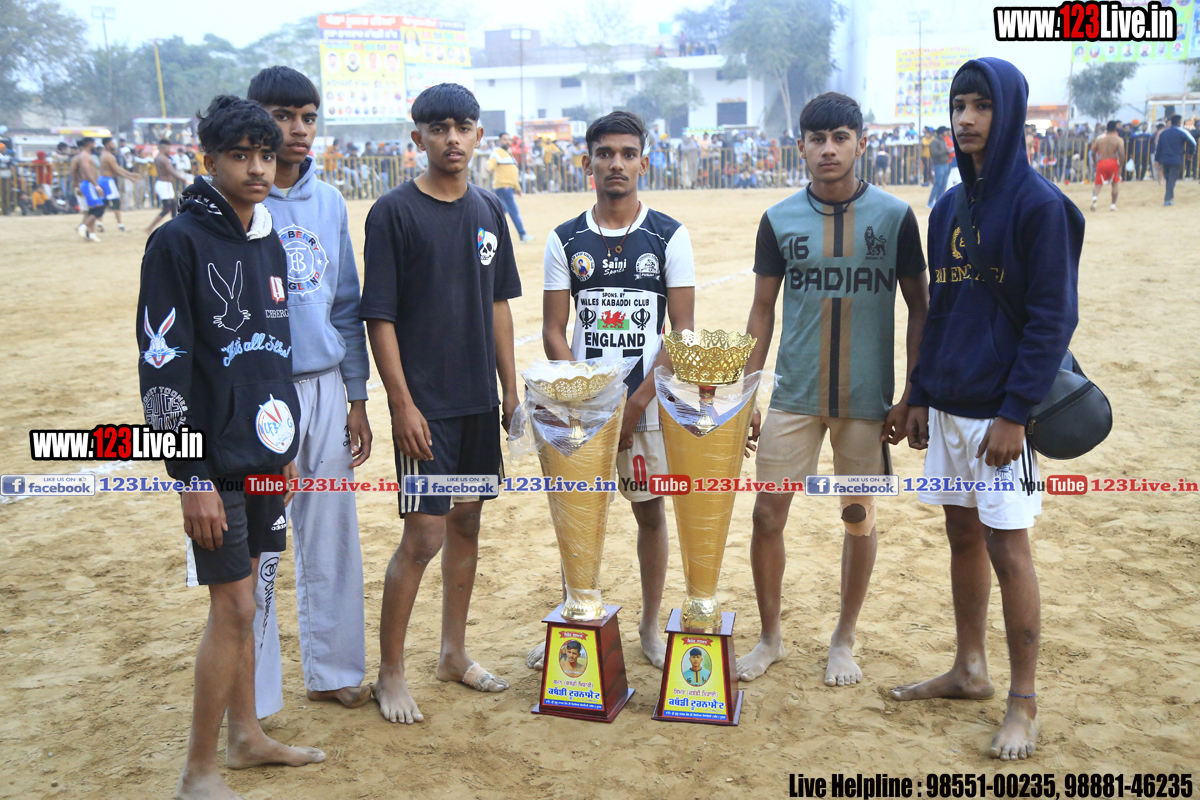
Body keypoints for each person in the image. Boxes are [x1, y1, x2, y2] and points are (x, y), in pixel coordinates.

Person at [893, 58, 1084, 762]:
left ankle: (1023, 701)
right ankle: (969, 669)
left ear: (1010, 114)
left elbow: (1052, 319)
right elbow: (940, 310)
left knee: (1008, 547)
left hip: (1005, 417)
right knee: (962, 537)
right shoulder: (947, 207)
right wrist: (920, 391)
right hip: (950, 405)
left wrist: (1015, 413)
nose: (966, 119)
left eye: (981, 105)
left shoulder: (1039, 206)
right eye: (958, 106)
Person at [137, 94, 326, 800]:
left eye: (266, 156)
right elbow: (162, 370)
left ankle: (246, 738)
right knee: (235, 608)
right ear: (208, 160)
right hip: (212, 466)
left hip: (266, 455)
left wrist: (285, 443)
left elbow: (274, 353)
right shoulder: (177, 242)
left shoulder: (269, 240)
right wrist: (190, 476)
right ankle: (198, 770)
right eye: (240, 155)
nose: (257, 169)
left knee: (253, 602)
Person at [736, 92, 928, 688]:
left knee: (857, 516)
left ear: (861, 143)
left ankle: (844, 638)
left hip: (867, 401)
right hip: (794, 395)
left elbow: (921, 307)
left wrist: (912, 393)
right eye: (817, 139)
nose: (828, 149)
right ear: (800, 146)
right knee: (766, 516)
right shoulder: (779, 219)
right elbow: (762, 309)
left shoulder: (895, 216)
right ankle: (770, 638)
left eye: (840, 137)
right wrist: (746, 394)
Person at [360, 83, 520, 724]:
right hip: (425, 408)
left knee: (467, 523)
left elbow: (499, 305)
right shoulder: (392, 213)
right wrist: (401, 405)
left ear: (479, 134)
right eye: (439, 127)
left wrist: (510, 391)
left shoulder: (488, 210)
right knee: (423, 535)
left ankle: (453, 653)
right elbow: (379, 317)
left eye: (464, 126)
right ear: (417, 137)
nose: (452, 138)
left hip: (478, 402)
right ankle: (390, 673)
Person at [536, 110, 696, 672]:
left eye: (628, 154)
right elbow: (553, 329)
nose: (616, 164)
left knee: (650, 515)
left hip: (646, 407)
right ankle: (576, 613)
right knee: (578, 516)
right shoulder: (565, 239)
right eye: (605, 153)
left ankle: (649, 626)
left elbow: (683, 333)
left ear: (643, 163)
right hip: (582, 410)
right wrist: (586, 399)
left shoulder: (669, 235)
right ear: (588, 162)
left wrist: (636, 402)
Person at [244, 66, 374, 718]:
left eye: (307, 116)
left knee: (331, 533)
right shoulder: (236, 201)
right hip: (257, 394)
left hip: (323, 389)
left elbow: (345, 305)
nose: (297, 129)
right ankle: (255, 693)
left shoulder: (328, 202)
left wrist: (357, 397)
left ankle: (334, 671)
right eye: (282, 115)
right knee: (259, 541)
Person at [485, 132, 535, 242]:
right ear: (499, 141)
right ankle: (522, 235)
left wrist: (518, 188)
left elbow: (512, 173)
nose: (507, 141)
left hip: (507, 187)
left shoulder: (508, 154)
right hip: (504, 187)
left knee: (500, 213)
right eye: (504, 139)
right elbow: (491, 162)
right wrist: (488, 167)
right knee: (513, 211)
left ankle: (490, 233)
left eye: (508, 139)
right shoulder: (497, 152)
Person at [146, 139, 187, 235]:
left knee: (173, 206)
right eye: (169, 148)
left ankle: (176, 227)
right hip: (165, 185)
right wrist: (184, 180)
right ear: (164, 148)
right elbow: (171, 171)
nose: (170, 150)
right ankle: (150, 227)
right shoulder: (164, 159)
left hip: (164, 184)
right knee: (167, 208)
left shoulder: (159, 157)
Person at [99, 137, 139, 232]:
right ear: (107, 145)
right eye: (112, 143)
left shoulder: (105, 155)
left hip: (103, 179)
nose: (114, 145)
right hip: (107, 181)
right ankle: (120, 225)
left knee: (105, 203)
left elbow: (118, 168)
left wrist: (131, 175)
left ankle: (99, 223)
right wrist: (130, 177)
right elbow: (117, 170)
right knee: (116, 202)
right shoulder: (109, 156)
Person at [1156, 114, 1196, 206]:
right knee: (1172, 180)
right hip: (1176, 159)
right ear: (1179, 122)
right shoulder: (1182, 131)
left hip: (1165, 159)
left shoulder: (1164, 133)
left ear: (1171, 122)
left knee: (1168, 180)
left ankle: (1170, 198)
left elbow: (1159, 147)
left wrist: (1157, 159)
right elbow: (1193, 143)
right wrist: (1190, 153)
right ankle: (1168, 199)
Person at [70, 138, 105, 241]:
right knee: (98, 209)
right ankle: (83, 227)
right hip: (88, 184)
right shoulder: (84, 156)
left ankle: (91, 234)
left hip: (89, 184)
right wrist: (96, 185)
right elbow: (85, 170)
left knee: (92, 210)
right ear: (90, 144)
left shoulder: (86, 155)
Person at [1088, 120, 1125, 211]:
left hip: (1101, 162)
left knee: (1098, 184)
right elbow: (1122, 154)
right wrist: (1120, 166)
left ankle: (1095, 198)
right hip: (1113, 162)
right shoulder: (1118, 139)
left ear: (1106, 128)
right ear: (1115, 128)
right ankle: (1113, 205)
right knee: (1115, 183)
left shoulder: (1100, 138)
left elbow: (1093, 152)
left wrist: (1096, 162)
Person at [928, 126, 951, 208]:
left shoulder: (943, 140)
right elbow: (934, 153)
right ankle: (930, 202)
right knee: (938, 183)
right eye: (945, 131)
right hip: (938, 164)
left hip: (945, 163)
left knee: (943, 184)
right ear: (942, 132)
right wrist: (945, 150)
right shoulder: (934, 142)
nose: (947, 132)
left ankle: (939, 201)